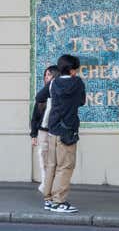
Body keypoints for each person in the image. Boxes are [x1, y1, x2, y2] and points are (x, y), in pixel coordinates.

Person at [43, 54, 85, 213]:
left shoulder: (53, 82)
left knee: (51, 166)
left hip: (53, 130)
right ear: (73, 70)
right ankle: (58, 201)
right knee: (65, 166)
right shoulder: (77, 82)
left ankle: (48, 199)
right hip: (67, 131)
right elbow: (82, 101)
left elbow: (40, 96)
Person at [30, 65, 59, 194]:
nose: (46, 77)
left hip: (55, 132)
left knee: (54, 161)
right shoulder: (42, 96)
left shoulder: (58, 94)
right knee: (43, 158)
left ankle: (51, 186)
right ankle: (46, 184)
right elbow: (35, 116)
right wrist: (34, 135)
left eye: (49, 74)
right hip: (43, 132)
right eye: (45, 75)